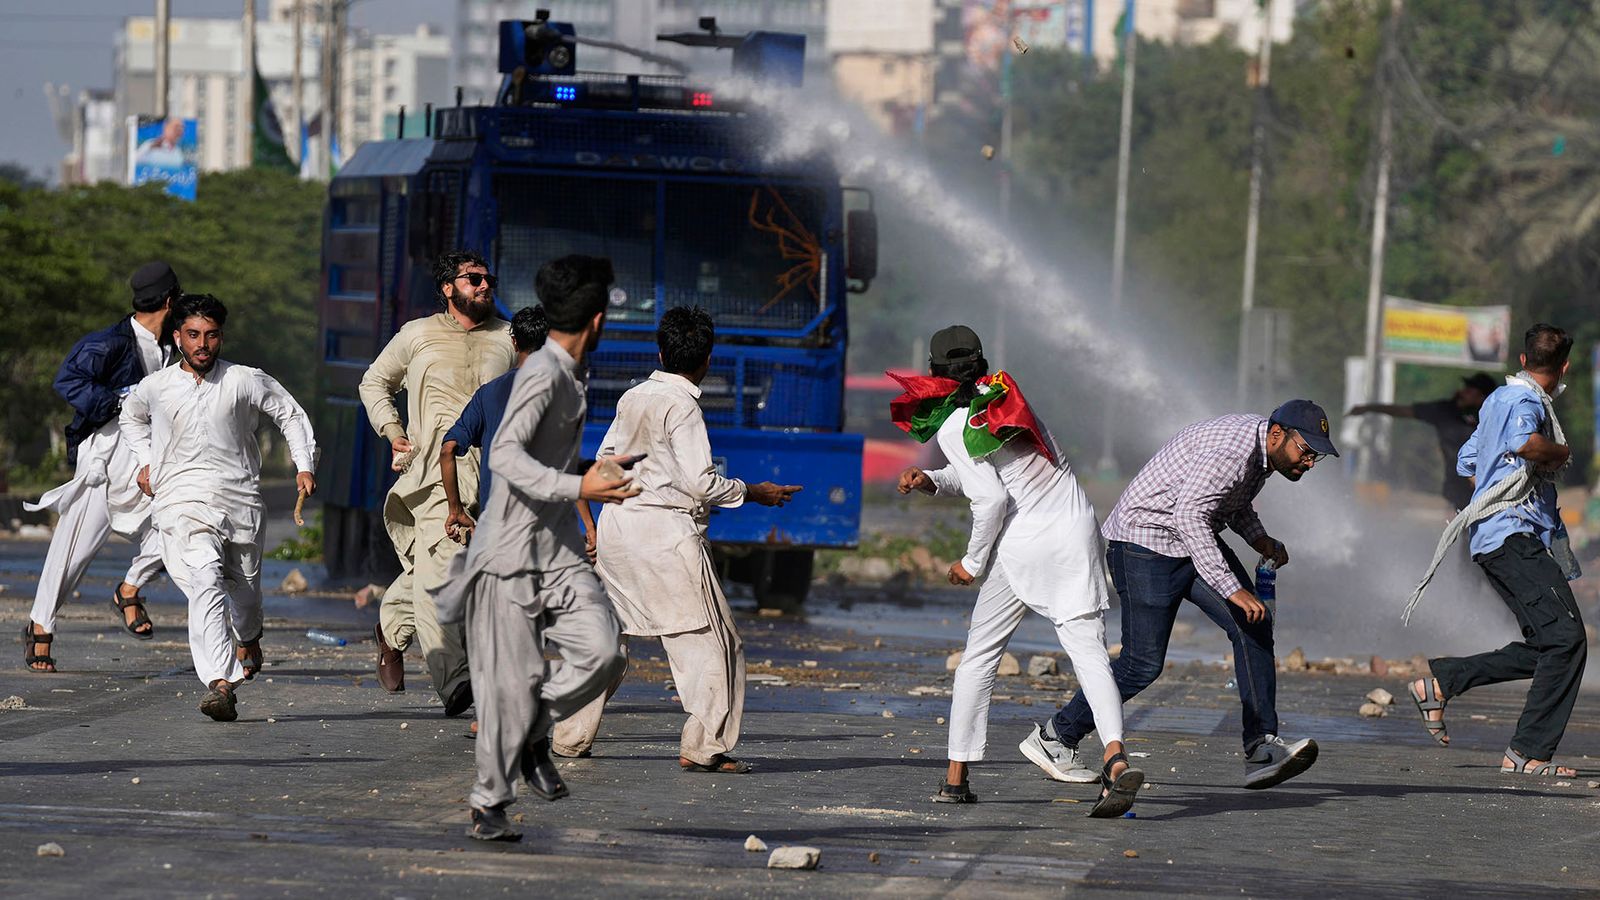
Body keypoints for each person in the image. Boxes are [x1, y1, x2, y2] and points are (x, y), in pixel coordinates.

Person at [892, 326, 1142, 817]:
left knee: (979, 657)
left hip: (1023, 543)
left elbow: (991, 498)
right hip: (1075, 529)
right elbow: (992, 471)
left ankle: (956, 777)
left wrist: (971, 562)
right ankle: (1114, 755)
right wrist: (932, 482)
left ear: (936, 374)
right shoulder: (1004, 396)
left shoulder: (951, 424)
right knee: (1090, 653)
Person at [1024, 400, 1338, 790]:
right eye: (1305, 452)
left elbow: (1228, 502)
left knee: (1253, 626)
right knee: (1142, 664)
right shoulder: (1233, 453)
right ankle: (1055, 737)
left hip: (1187, 542)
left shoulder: (1259, 455)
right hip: (1144, 544)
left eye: (1314, 457)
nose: (1308, 463)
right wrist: (1232, 589)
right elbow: (1190, 514)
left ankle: (1261, 747)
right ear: (1278, 434)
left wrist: (1259, 538)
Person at [549, 307, 801, 773]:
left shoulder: (634, 397)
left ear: (661, 352)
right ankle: (704, 747)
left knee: (609, 641)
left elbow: (604, 464)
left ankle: (569, 736)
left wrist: (593, 527)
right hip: (664, 535)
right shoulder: (684, 405)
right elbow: (702, 484)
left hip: (618, 528)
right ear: (707, 360)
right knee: (714, 643)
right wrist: (753, 492)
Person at [433, 255, 632, 842]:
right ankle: (489, 805)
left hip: (559, 550)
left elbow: (549, 460)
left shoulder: (572, 374)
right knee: (510, 682)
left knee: (604, 653)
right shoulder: (542, 375)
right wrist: (581, 485)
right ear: (597, 321)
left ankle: (536, 730)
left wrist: (599, 473)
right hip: (508, 554)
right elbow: (504, 457)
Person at [120, 294, 317, 722]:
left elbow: (291, 415)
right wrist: (144, 462)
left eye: (210, 335)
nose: (202, 344)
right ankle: (221, 682)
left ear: (220, 337)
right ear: (178, 338)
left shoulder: (245, 380)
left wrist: (304, 465)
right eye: (193, 335)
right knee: (206, 579)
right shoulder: (155, 387)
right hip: (181, 501)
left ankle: (249, 636)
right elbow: (130, 418)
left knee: (244, 595)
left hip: (240, 502)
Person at [1404, 324, 1586, 778]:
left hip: (1499, 538)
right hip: (1512, 537)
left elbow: (1470, 461)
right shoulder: (1521, 402)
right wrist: (1560, 452)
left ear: (1524, 360)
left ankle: (1442, 683)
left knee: (1549, 644)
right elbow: (1525, 444)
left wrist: (1491, 490)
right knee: (1567, 640)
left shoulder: (1496, 403)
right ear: (1564, 367)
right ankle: (1528, 753)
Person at [358, 250, 516, 705]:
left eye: (488, 279)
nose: (484, 286)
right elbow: (373, 383)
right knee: (445, 571)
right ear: (448, 288)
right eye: (473, 279)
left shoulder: (507, 338)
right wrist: (393, 431)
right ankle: (455, 681)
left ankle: (391, 627)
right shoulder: (418, 335)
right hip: (434, 474)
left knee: (444, 570)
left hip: (495, 477)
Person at [22, 262, 178, 673]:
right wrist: (118, 401)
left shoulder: (175, 347)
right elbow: (68, 381)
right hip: (106, 460)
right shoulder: (110, 342)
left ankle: (128, 590)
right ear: (169, 301)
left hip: (150, 463)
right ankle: (41, 627)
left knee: (178, 532)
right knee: (71, 553)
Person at [439, 304, 550, 545]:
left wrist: (456, 510)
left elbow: (448, 449)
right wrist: (589, 527)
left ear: (514, 343)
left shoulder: (488, 394)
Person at [1348, 373, 1497, 510]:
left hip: (1489, 479)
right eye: (1466, 388)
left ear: (1483, 397)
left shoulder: (1492, 416)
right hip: (1457, 481)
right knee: (1465, 523)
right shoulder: (1446, 411)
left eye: (1471, 390)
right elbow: (1404, 411)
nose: (1464, 392)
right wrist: (1369, 408)